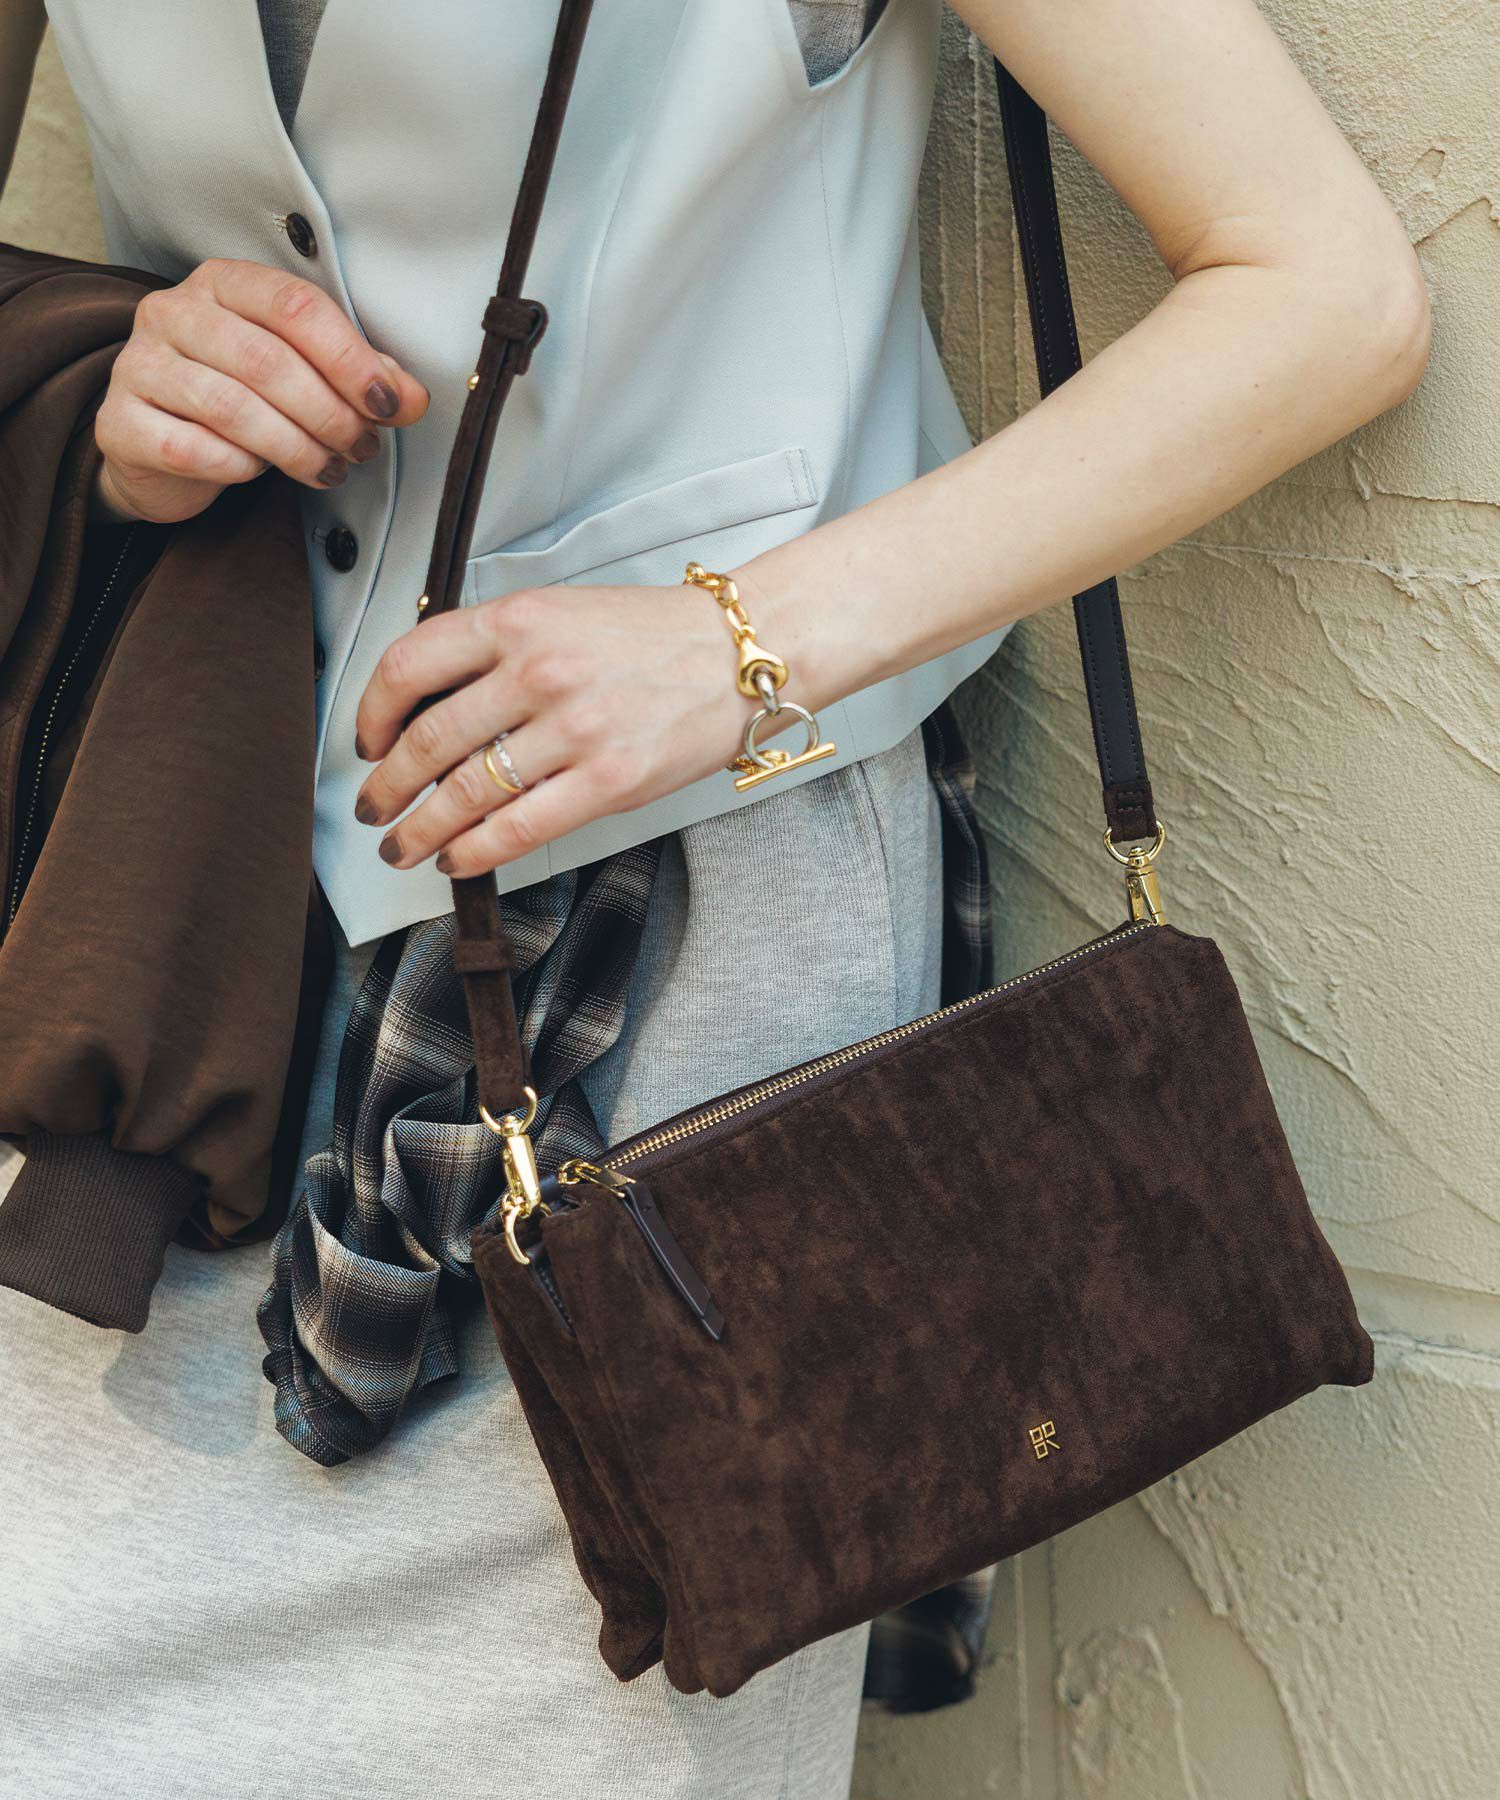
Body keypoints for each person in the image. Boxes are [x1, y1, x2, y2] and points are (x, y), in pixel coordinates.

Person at [0, 1, 1428, 1795]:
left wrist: (741, 644)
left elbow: (1327, 289)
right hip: (156, 922)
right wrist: (108, 378)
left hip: (683, 1011)